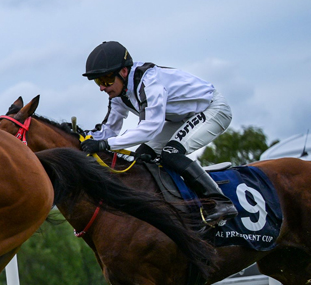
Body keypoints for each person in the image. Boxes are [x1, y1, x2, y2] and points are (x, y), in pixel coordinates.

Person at [79, 41, 237, 226]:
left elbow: (150, 127)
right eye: (98, 82)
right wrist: (82, 137)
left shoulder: (149, 82)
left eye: (105, 80)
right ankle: (174, 209)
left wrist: (106, 145)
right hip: (178, 118)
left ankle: (220, 202)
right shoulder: (119, 94)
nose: (102, 88)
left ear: (123, 72)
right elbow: (108, 130)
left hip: (211, 109)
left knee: (171, 154)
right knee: (142, 158)